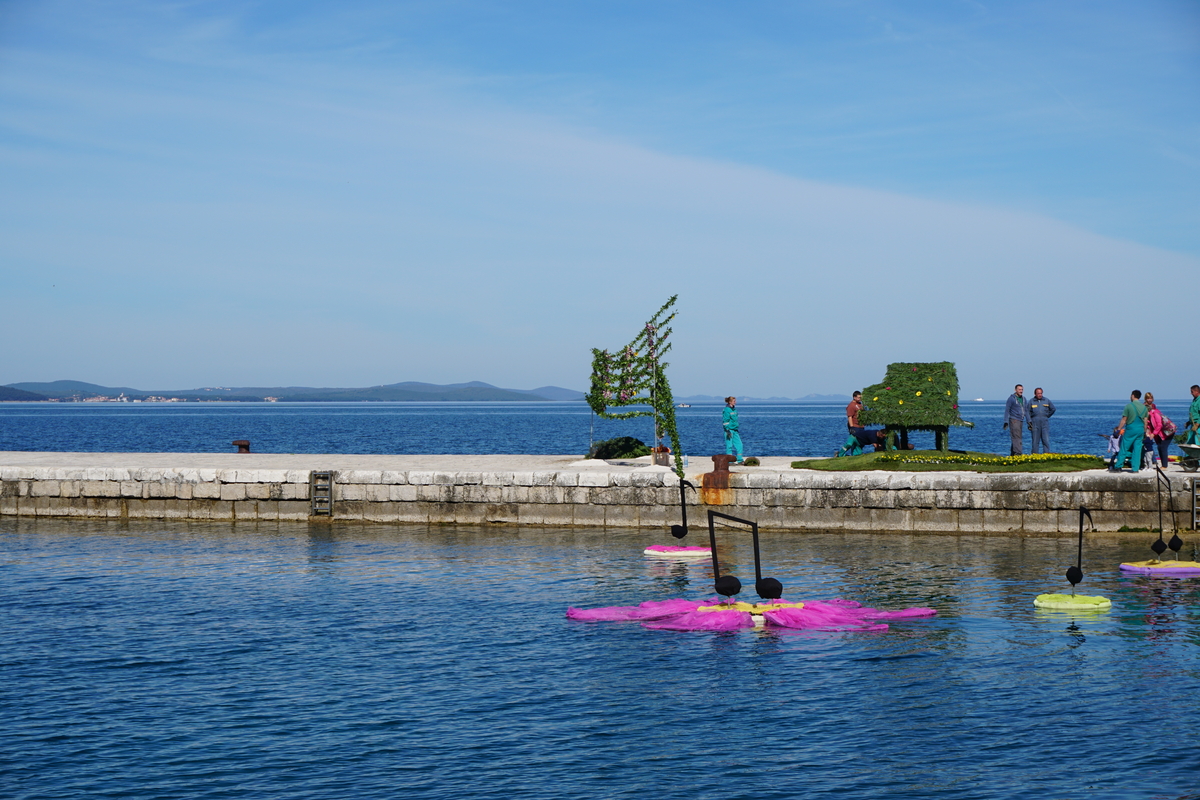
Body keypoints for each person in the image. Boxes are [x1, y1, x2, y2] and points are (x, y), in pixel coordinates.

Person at [1111, 390, 1148, 473]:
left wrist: (1119, 429)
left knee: (1124, 447)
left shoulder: (1128, 406)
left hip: (1131, 428)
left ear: (1133, 395)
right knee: (1137, 449)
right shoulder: (1144, 408)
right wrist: (1144, 432)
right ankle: (1135, 468)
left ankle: (1118, 466)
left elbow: (1124, 420)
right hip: (1140, 429)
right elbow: (1145, 421)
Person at [1144, 392, 1171, 470]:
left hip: (1164, 432)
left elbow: (1159, 424)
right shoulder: (1147, 409)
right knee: (1159, 447)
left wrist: (1153, 433)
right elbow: (1150, 424)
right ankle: (1160, 464)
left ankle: (1164, 465)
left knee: (1162, 447)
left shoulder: (1155, 412)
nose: (1149, 400)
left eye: (1151, 398)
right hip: (1158, 433)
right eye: (1148, 398)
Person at [1027, 388, 1056, 454]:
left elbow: (1053, 409)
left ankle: (1046, 454)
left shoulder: (1046, 400)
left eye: (1041, 393)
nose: (1040, 395)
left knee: (1045, 440)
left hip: (1044, 423)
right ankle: (1035, 455)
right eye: (1038, 393)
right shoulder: (1031, 401)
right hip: (1035, 423)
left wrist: (1047, 415)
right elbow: (1027, 412)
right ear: (1035, 394)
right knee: (1035, 441)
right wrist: (1029, 421)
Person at [1003, 384, 1028, 456]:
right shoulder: (1011, 399)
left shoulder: (1024, 399)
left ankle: (1013, 454)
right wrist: (1006, 421)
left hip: (1021, 420)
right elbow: (1007, 410)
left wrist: (1029, 421)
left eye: (1022, 389)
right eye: (1019, 389)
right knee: (1016, 437)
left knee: (1017, 437)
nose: (1021, 391)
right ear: (1015, 390)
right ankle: (1018, 453)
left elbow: (1026, 410)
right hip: (1014, 420)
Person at [722, 396, 743, 464]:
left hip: (735, 430)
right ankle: (730, 461)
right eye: (734, 401)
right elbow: (725, 420)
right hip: (729, 430)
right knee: (729, 445)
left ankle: (740, 459)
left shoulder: (734, 410)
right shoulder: (727, 410)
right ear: (730, 402)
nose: (735, 402)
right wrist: (727, 429)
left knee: (740, 444)